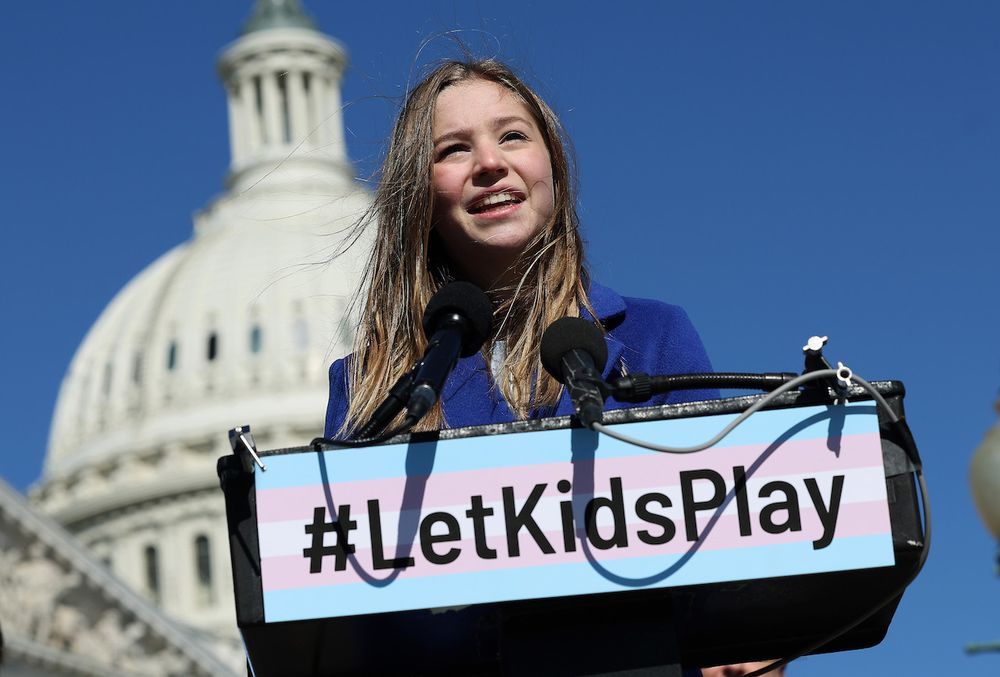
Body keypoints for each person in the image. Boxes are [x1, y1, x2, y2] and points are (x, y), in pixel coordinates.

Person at [324, 58, 715, 440]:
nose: (490, 162)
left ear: (554, 167)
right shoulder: (363, 386)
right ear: (418, 199)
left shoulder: (655, 337)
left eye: (513, 136)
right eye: (454, 149)